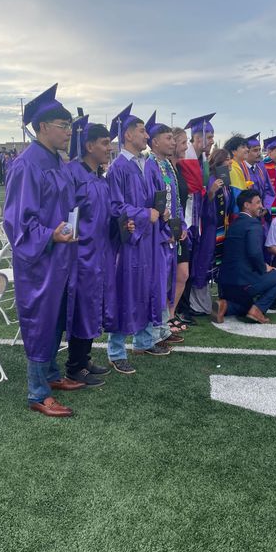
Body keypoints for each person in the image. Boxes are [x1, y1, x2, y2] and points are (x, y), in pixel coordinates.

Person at [3, 84, 83, 418]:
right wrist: (51, 235)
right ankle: (37, 392)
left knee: (56, 317)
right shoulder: (27, 165)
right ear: (42, 127)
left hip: (60, 255)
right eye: (63, 126)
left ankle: (50, 376)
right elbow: (17, 223)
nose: (68, 132)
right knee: (40, 321)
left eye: (69, 125)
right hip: (39, 261)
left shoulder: (56, 161)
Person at [105, 104, 168, 373]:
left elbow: (158, 195)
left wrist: (162, 210)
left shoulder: (148, 165)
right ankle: (116, 350)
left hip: (150, 238)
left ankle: (143, 341)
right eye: (142, 131)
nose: (146, 135)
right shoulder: (118, 168)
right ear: (128, 135)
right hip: (130, 240)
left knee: (148, 286)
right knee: (126, 290)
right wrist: (146, 214)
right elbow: (115, 207)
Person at [65, 117, 118, 386]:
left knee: (94, 304)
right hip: (81, 254)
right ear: (88, 146)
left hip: (99, 252)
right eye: (105, 143)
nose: (110, 148)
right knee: (82, 306)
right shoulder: (73, 174)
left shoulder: (98, 176)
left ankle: (84, 358)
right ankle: (74, 365)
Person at [212, 189, 276, 324]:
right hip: (243, 282)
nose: (261, 206)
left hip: (225, 283)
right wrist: (264, 269)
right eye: (258, 202)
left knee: (245, 307)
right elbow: (254, 252)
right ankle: (258, 310)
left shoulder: (234, 223)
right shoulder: (253, 224)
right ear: (247, 205)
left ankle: (225, 305)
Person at [144, 112, 187, 341]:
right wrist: (165, 230)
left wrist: (180, 227)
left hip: (171, 234)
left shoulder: (168, 166)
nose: (173, 142)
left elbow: (176, 200)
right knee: (158, 283)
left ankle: (163, 329)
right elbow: (153, 204)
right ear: (155, 141)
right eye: (169, 138)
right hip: (158, 236)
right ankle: (155, 332)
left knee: (167, 282)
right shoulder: (149, 166)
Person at [176, 113, 217, 316]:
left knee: (191, 264)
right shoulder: (189, 160)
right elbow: (193, 189)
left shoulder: (201, 159)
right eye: (209, 138)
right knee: (184, 265)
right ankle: (182, 308)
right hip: (187, 220)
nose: (211, 142)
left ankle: (187, 305)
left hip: (197, 218)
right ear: (198, 138)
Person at [169, 127, 192, 325]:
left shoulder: (177, 167)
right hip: (169, 229)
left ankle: (170, 313)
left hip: (180, 228)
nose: (186, 147)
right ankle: (167, 317)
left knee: (183, 274)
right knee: (175, 275)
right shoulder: (164, 168)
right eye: (183, 142)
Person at [223, 135, 251, 214]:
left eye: (246, 147)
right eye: (243, 147)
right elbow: (235, 196)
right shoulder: (231, 168)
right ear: (233, 151)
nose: (247, 149)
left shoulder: (237, 166)